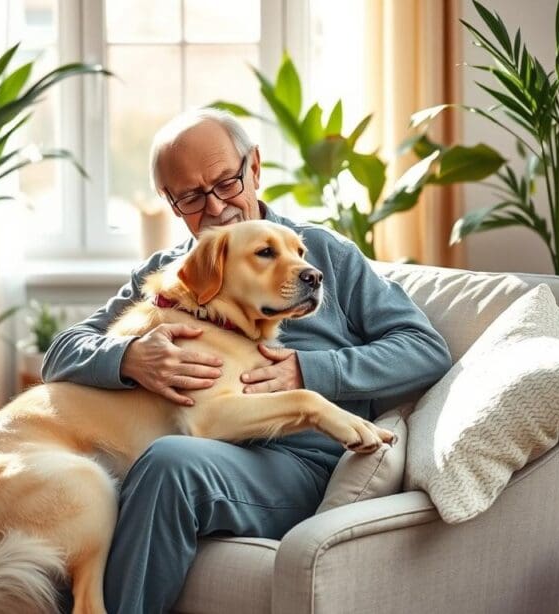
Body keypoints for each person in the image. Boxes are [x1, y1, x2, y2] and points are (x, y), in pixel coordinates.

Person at [42, 107, 452, 613]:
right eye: (192, 195)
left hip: (296, 462)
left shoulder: (322, 255)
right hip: (196, 442)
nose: (215, 207)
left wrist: (310, 371)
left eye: (225, 182)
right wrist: (128, 357)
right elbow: (61, 351)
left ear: (254, 167)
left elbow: (424, 348)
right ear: (172, 204)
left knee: (173, 463)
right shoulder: (167, 274)